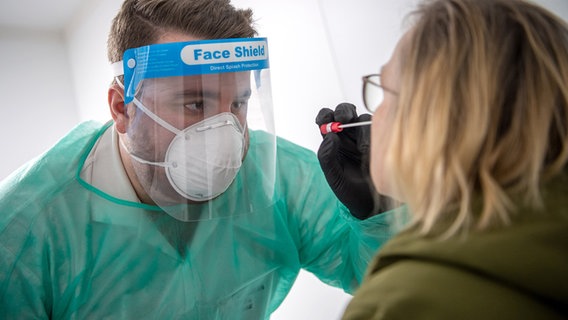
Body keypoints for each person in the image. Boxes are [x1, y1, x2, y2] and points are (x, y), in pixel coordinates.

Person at [0, 0, 402, 318]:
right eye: (195, 103)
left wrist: (380, 209)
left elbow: (388, 278)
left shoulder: (273, 174)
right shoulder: (24, 233)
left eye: (238, 104)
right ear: (122, 107)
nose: (225, 134)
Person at [340, 0, 568, 318]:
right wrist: (379, 217)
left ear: (441, 119)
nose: (375, 114)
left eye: (384, 90)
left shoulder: (397, 306)